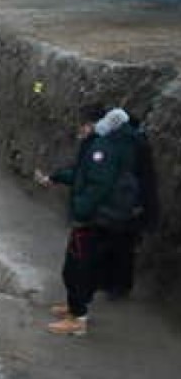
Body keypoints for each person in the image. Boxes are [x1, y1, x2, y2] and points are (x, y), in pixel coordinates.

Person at [35, 105, 138, 336]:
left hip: (93, 221)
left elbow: (98, 185)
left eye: (81, 126)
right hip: (95, 219)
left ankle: (77, 319)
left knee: (77, 268)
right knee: (76, 266)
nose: (79, 131)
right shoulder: (98, 146)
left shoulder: (101, 149)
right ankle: (74, 308)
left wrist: (80, 211)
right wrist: (56, 177)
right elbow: (83, 175)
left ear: (91, 125)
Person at [98, 114, 159, 298]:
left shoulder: (129, 146)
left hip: (126, 203)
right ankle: (118, 285)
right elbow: (148, 179)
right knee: (124, 245)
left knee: (119, 244)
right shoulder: (139, 144)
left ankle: (115, 285)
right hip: (132, 204)